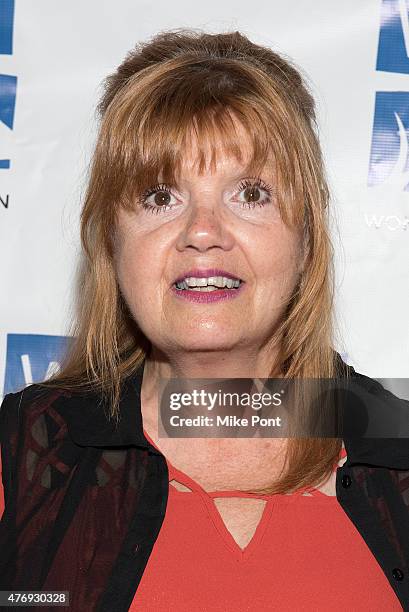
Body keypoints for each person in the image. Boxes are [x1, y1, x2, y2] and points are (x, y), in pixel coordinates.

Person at [0, 28, 408, 612]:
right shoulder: (22, 457)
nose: (202, 233)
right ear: (112, 243)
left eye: (251, 194)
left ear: (307, 238)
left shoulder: (396, 450)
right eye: (160, 196)